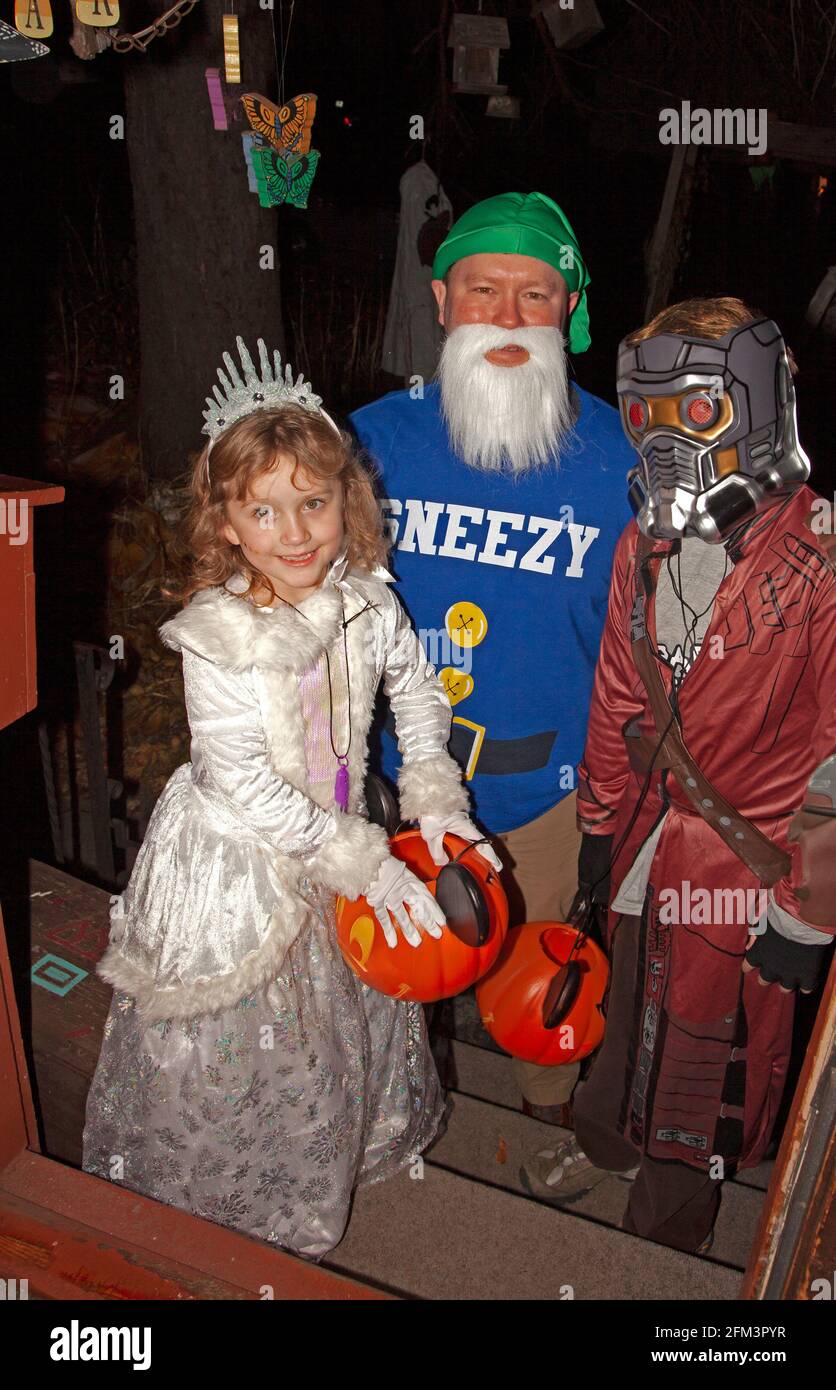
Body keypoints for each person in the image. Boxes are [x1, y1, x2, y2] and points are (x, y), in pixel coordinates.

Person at [82, 337, 499, 1259]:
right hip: (245, 858)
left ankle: (321, 1161)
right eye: (264, 511)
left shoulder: (368, 599)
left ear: (346, 503)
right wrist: (361, 859)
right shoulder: (218, 633)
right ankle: (226, 1204)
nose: (296, 532)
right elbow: (243, 782)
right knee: (250, 1041)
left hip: (347, 837)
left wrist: (435, 798)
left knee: (333, 1027)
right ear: (226, 522)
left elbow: (418, 693)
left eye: (314, 504)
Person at [522, 298, 835, 1254]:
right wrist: (597, 825)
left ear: (755, 404)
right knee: (625, 1016)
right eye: (645, 415)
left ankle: (663, 1232)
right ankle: (604, 1142)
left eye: (693, 414)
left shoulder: (823, 563)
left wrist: (808, 917)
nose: (664, 441)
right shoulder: (642, 544)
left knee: (708, 1057)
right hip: (648, 840)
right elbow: (620, 694)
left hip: (750, 864)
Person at [352, 192, 635, 1125]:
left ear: (571, 310)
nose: (508, 318)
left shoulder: (628, 461)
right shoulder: (367, 444)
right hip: (387, 790)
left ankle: (547, 1121)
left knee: (542, 988)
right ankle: (378, 1124)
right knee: (383, 973)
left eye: (535, 295)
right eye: (483, 291)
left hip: (547, 798)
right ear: (441, 302)